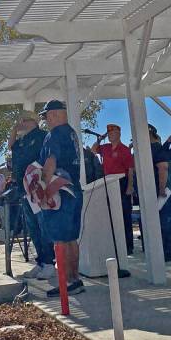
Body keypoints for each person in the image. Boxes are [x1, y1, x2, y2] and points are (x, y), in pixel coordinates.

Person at [38, 99, 84, 297]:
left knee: (60, 239)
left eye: (47, 116)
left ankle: (66, 282)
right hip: (75, 189)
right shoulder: (71, 133)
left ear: (55, 114)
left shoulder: (54, 134)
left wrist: (43, 190)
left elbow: (50, 162)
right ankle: (75, 279)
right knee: (71, 238)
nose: (46, 121)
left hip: (60, 193)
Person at [9, 110, 55, 280]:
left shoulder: (43, 136)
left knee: (43, 225)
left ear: (32, 121)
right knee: (33, 227)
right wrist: (14, 128)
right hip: (24, 190)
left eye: (23, 120)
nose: (20, 123)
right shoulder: (21, 141)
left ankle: (50, 262)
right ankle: (41, 262)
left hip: (38, 189)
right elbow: (10, 146)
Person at [91, 123, 135, 255]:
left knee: (125, 215)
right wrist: (100, 138)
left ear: (119, 134)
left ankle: (128, 245)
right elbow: (93, 150)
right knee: (111, 215)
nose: (110, 135)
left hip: (122, 182)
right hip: (108, 182)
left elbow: (130, 169)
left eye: (112, 133)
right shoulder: (105, 147)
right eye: (108, 133)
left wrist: (130, 186)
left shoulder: (124, 149)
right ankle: (115, 244)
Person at [148, 124, 171, 262]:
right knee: (155, 222)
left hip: (160, 193)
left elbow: (163, 168)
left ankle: (166, 251)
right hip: (151, 191)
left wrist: (162, 189)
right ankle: (159, 251)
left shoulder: (157, 149)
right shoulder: (147, 150)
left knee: (163, 222)